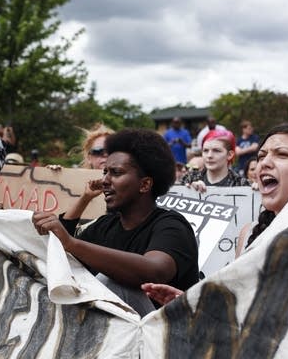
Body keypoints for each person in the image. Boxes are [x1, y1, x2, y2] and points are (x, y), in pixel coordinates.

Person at [144, 123, 288, 305]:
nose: (264, 163)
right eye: (261, 156)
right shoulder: (248, 234)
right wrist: (188, 304)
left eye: (282, 154)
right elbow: (238, 303)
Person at [30, 129, 199, 316]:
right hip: (112, 338)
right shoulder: (105, 226)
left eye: (115, 173)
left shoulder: (172, 226)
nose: (104, 181)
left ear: (145, 184)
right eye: (105, 173)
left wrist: (72, 243)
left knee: (115, 282)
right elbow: (64, 254)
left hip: (163, 334)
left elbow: (155, 271)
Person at [181, 129, 250, 193]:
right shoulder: (190, 178)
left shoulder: (241, 184)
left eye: (216, 151)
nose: (209, 155)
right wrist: (190, 191)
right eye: (205, 150)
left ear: (229, 155)